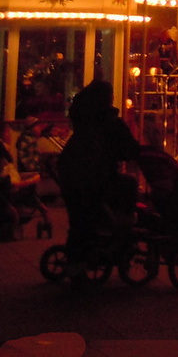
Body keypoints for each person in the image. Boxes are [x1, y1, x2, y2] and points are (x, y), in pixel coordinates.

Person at [56, 80, 140, 271]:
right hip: (94, 176)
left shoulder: (83, 120)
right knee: (128, 185)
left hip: (70, 173)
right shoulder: (110, 123)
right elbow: (129, 148)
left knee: (78, 218)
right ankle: (120, 226)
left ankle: (77, 255)